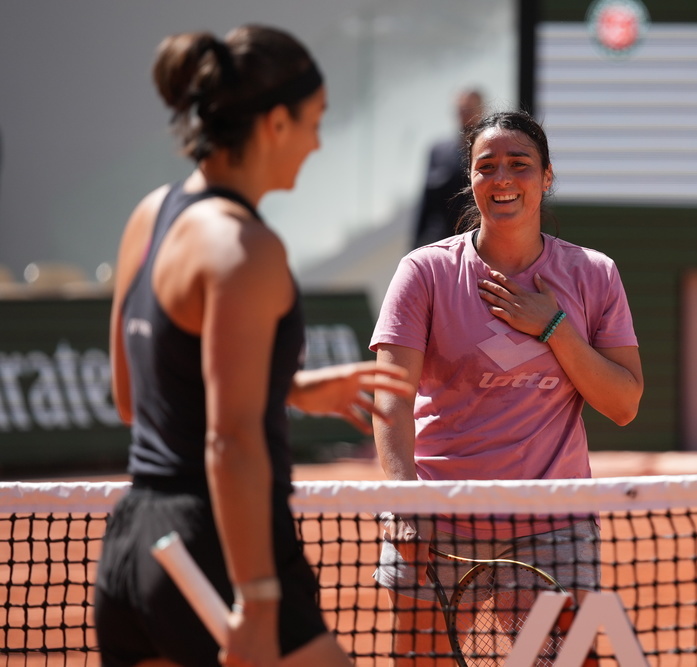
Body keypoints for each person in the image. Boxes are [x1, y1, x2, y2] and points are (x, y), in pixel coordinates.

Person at [94, 25, 413, 667]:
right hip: (218, 551)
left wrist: (285, 389)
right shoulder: (244, 247)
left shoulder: (150, 215)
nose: (317, 142)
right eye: (314, 121)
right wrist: (260, 603)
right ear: (275, 123)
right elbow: (231, 439)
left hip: (133, 549)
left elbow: (134, 397)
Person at [370, 109, 643, 664]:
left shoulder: (594, 274)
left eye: (519, 164)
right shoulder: (424, 272)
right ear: (470, 178)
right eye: (486, 166)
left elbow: (623, 404)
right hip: (439, 517)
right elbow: (391, 399)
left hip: (553, 523)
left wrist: (554, 326)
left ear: (546, 177)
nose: (502, 179)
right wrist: (405, 502)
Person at [411, 88, 485, 249]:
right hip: (446, 242)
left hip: (481, 242)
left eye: (469, 110)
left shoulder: (491, 152)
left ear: (482, 111)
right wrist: (415, 245)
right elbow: (426, 202)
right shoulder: (440, 152)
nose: (464, 116)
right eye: (460, 110)